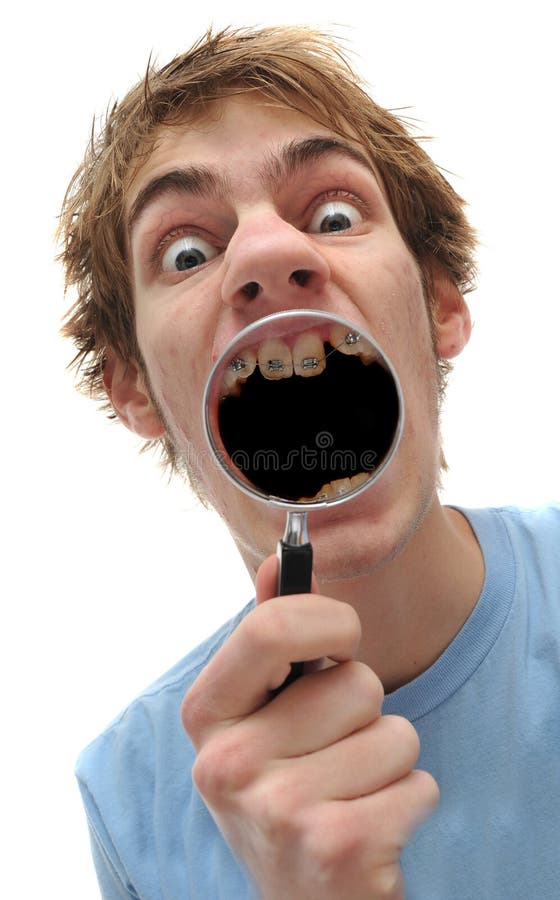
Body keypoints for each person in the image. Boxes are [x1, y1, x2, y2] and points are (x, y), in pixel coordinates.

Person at [59, 25, 560, 900]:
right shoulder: (131, 797)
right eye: (185, 252)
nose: (265, 254)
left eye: (333, 214)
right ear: (136, 390)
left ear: (441, 304)